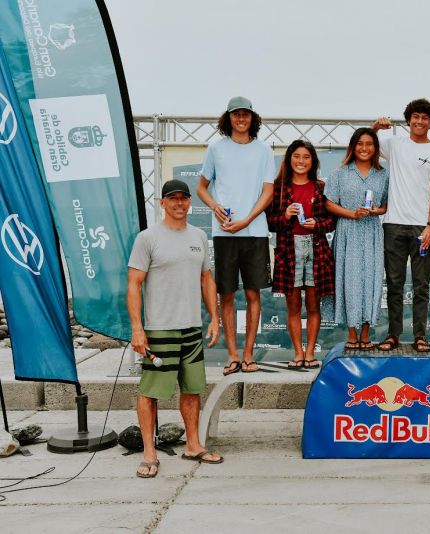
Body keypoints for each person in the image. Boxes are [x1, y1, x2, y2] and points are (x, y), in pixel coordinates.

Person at [127, 179, 223, 478]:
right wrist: (137, 329)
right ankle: (149, 453)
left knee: (192, 390)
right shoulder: (148, 238)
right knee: (150, 392)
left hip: (191, 327)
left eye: (183, 198)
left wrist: (215, 317)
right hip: (159, 329)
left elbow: (207, 279)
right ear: (163, 203)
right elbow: (134, 284)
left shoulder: (198, 236)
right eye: (173, 199)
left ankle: (193, 445)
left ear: (189, 202)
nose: (179, 203)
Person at [196, 96, 275, 375]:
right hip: (225, 232)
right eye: (235, 114)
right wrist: (215, 206)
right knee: (226, 294)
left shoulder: (265, 150)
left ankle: (249, 354)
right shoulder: (216, 149)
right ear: (227, 118)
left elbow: (268, 192)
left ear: (253, 118)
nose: (241, 118)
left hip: (254, 231)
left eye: (245, 114)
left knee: (254, 294)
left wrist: (248, 219)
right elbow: (202, 187)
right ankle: (232, 355)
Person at [372, 98, 430, 352]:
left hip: (421, 228)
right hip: (393, 224)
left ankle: (420, 336)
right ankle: (393, 334)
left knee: (421, 285)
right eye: (415, 117)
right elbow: (364, 145)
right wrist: (375, 127)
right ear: (408, 120)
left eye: (425, 118)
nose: (419, 121)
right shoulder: (395, 144)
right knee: (393, 284)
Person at [266, 140, 335, 368]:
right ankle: (297, 353)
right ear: (289, 159)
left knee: (314, 306)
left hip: (316, 250)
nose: (301, 161)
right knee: (293, 306)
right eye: (297, 156)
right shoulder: (278, 187)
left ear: (313, 161)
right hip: (288, 250)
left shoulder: (321, 187)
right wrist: (285, 215)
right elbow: (269, 222)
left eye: (306, 157)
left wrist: (318, 224)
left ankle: (310, 352)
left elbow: (332, 221)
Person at [325, 128, 389, 349]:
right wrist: (352, 213)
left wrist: (375, 211)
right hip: (348, 231)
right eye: (360, 143)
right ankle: (351, 334)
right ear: (353, 146)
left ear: (376, 148)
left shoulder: (383, 174)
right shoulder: (339, 173)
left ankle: (365, 334)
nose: (364, 148)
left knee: (370, 282)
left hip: (371, 231)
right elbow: (329, 203)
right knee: (350, 281)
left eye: (369, 144)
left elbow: (386, 206)